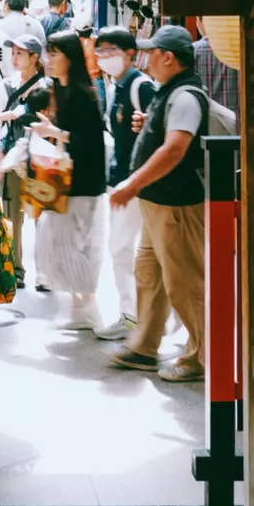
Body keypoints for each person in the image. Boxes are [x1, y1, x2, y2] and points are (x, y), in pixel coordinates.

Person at [108, 24, 234, 382]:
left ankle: (202, 358)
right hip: (159, 205)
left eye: (152, 53)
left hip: (176, 206)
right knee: (150, 275)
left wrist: (132, 184)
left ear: (168, 57)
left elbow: (176, 148)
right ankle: (145, 346)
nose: (146, 59)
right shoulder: (172, 92)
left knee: (185, 284)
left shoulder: (185, 95)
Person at [31, 31, 108, 331]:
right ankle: (80, 308)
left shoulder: (82, 94)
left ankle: (88, 308)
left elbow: (87, 142)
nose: (49, 60)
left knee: (80, 244)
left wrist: (54, 133)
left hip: (84, 183)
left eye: (55, 54)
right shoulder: (60, 91)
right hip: (64, 180)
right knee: (63, 242)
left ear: (70, 57)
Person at [92, 26, 155, 340]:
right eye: (100, 51)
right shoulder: (116, 86)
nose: (104, 57)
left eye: (111, 50)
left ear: (131, 53)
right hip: (121, 181)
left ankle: (134, 316)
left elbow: (163, 128)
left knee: (124, 249)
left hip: (136, 183)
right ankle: (140, 315)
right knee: (127, 250)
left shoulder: (140, 86)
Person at [0, 35, 52, 290]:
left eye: (21, 53)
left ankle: (45, 273)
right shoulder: (5, 86)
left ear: (35, 57)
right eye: (13, 52)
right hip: (15, 159)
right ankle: (16, 267)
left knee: (43, 215)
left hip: (42, 160)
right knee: (14, 216)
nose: (15, 57)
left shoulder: (49, 86)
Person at [0, 0, 48, 81]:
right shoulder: (36, 25)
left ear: (6, 5)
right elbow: (44, 54)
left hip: (6, 79)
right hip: (34, 78)